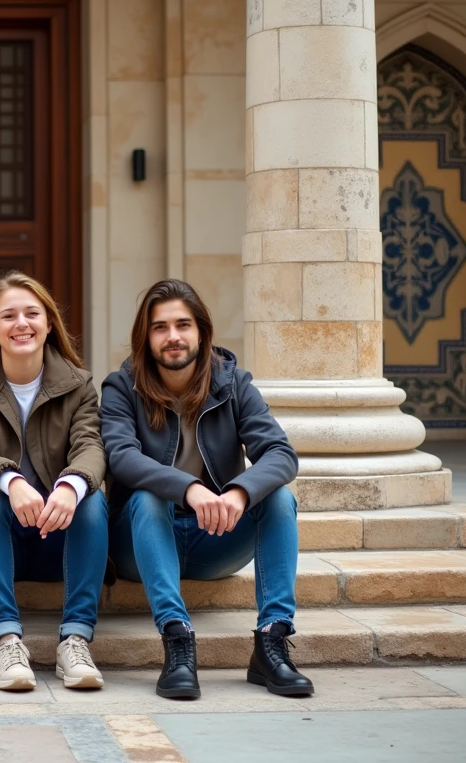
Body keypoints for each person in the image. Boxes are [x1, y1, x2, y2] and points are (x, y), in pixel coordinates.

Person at [101, 279, 313, 699]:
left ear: (201, 331)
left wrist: (239, 492)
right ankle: (177, 640)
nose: (173, 336)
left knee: (278, 498)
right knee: (148, 497)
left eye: (183, 325)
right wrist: (189, 489)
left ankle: (272, 641)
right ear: (146, 336)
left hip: (215, 538)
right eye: (160, 327)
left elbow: (280, 453)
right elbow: (121, 457)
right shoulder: (122, 387)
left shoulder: (234, 384)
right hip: (139, 542)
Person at [0, 272, 108, 692]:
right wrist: (10, 479)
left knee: (91, 498)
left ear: (49, 323)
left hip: (59, 537)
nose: (22, 323)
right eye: (9, 316)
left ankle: (76, 640)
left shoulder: (79, 385)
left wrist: (70, 485)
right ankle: (6, 640)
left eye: (32, 314)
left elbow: (91, 446)